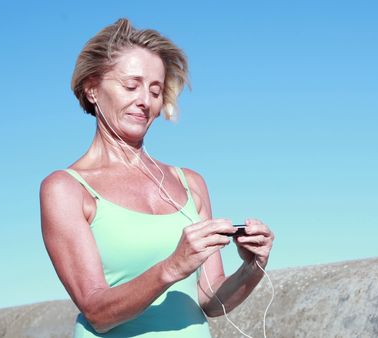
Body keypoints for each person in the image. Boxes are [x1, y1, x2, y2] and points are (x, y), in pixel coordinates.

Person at [40, 18, 274, 337]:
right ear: (92, 88)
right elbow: (97, 311)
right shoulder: (65, 188)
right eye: (131, 85)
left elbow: (210, 300)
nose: (145, 101)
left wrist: (252, 268)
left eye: (155, 90)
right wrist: (172, 266)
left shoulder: (191, 182)